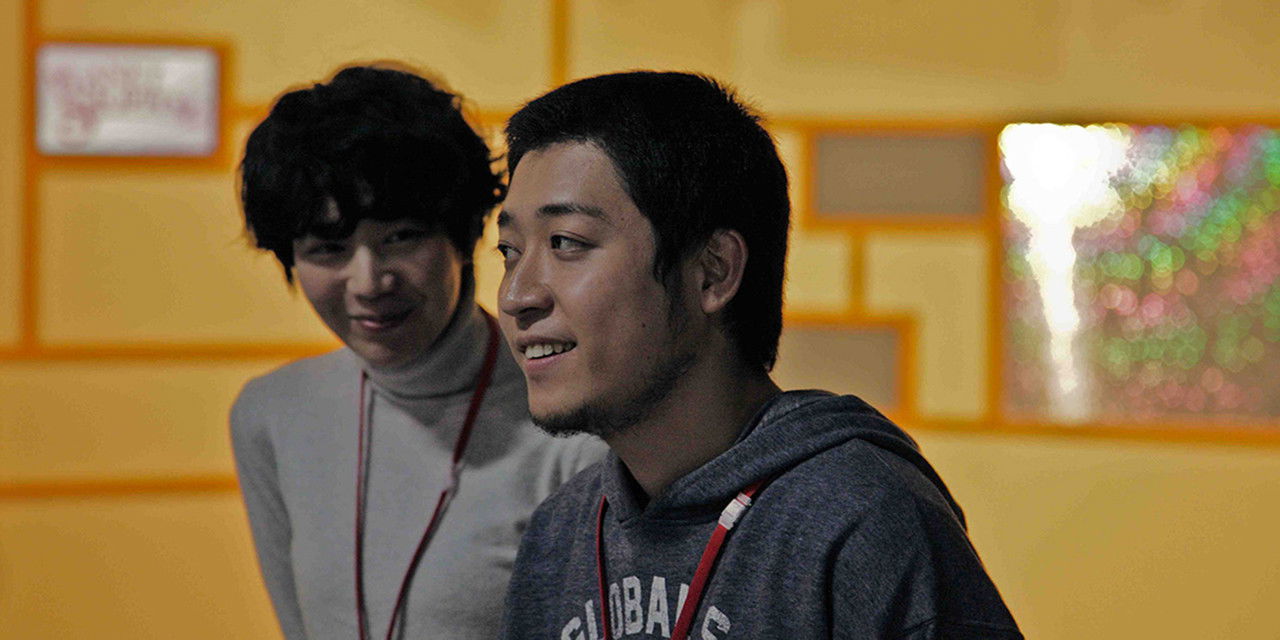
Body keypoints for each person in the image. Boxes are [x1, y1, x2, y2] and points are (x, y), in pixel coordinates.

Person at [494, 71, 1022, 639]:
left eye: (566, 243)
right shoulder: (560, 535)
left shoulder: (861, 521)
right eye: (509, 250)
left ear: (713, 271)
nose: (516, 296)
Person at [230, 64, 602, 640]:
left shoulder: (575, 425)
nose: (369, 282)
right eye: (328, 248)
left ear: (464, 233)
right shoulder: (272, 415)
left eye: (401, 237)